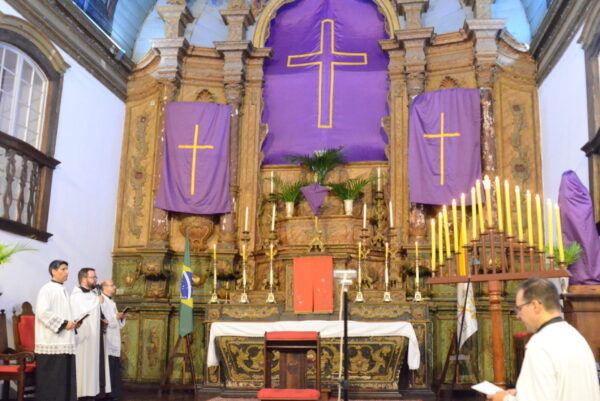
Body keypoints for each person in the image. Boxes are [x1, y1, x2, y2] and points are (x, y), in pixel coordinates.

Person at [488, 276, 600, 401]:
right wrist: (523, 393)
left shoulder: (540, 345)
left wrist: (503, 399)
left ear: (535, 305)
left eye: (519, 308)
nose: (518, 316)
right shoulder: (577, 338)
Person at [34, 260, 78, 401]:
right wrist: (64, 324)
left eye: (67, 269)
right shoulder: (47, 289)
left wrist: (73, 323)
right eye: (63, 269)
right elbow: (42, 313)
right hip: (50, 341)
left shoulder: (64, 290)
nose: (67, 272)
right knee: (52, 381)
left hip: (64, 341)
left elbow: (65, 312)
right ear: (53, 271)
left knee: (63, 380)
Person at [70, 267, 111, 399]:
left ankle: (92, 393)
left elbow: (93, 312)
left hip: (94, 336)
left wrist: (101, 319)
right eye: (92, 277)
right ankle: (81, 393)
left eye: (95, 277)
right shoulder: (77, 295)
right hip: (83, 338)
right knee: (83, 366)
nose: (95, 280)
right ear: (83, 279)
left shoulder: (92, 294)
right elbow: (81, 311)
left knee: (93, 366)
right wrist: (97, 300)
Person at [99, 280, 126, 401]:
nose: (115, 287)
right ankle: (107, 393)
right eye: (112, 285)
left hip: (114, 337)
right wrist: (116, 317)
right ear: (104, 287)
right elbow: (103, 319)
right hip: (107, 337)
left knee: (114, 365)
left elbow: (118, 324)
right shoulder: (101, 300)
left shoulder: (112, 302)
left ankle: (114, 392)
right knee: (108, 364)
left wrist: (120, 318)